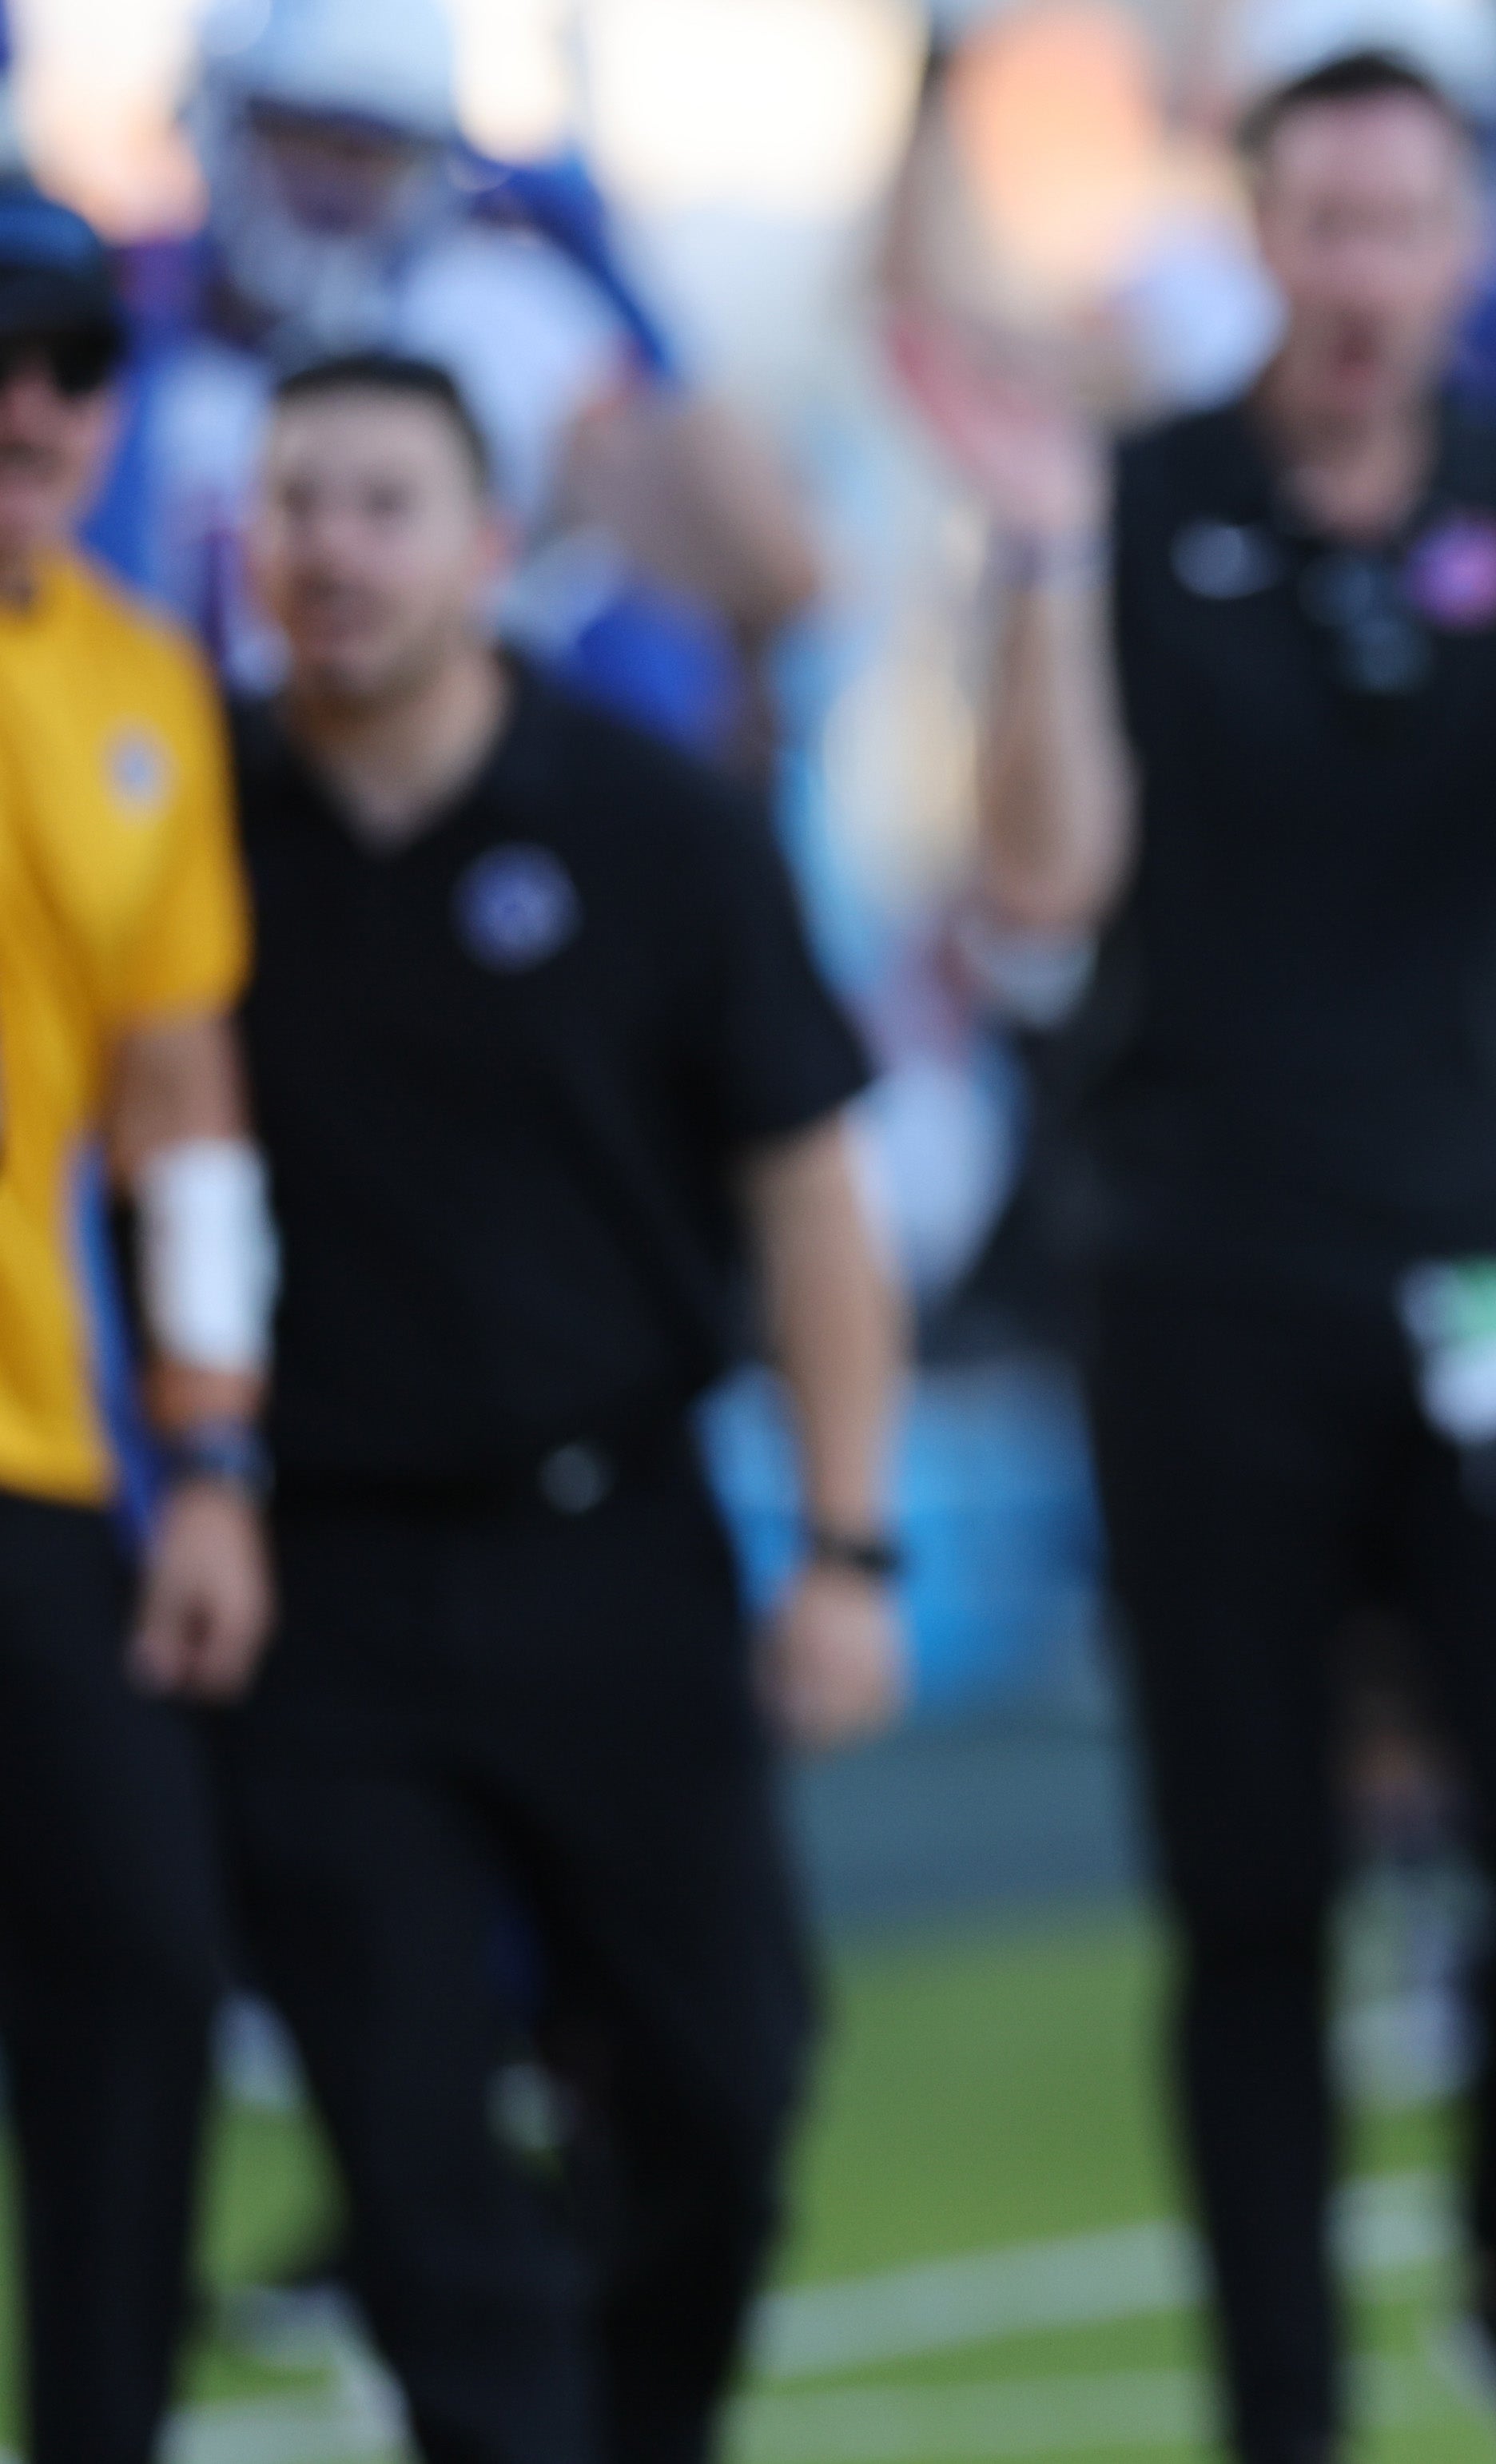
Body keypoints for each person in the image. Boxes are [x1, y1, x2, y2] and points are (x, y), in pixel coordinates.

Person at [964, 50, 1496, 2464]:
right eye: (1321, 220)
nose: (1361, 271)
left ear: (1466, 248)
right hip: (1201, 1261)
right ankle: (1285, 2416)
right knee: (1249, 1885)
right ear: (1257, 235)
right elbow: (1039, 886)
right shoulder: (1132, 501)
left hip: (1478, 1241)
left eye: (1403, 222)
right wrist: (1044, 562)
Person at [213, 351, 903, 2464]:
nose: (331, 548)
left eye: (383, 502)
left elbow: (807, 1200)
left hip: (619, 1549)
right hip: (316, 1577)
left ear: (492, 546)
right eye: (297, 502)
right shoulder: (188, 821)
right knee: (410, 2144)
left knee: (720, 2081)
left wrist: (849, 1546)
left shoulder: (653, 819)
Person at [0, 182, 277, 2464]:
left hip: (44, 1456)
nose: (30, 397)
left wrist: (211, 1451)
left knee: (139, 1971)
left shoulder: (138, 688)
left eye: (75, 354)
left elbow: (182, 1116)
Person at [92, 0, 816, 772]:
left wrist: (654, 339)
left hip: (448, 821)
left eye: (365, 152)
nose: (330, 187)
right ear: (227, 124)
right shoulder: (123, 332)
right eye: (300, 138)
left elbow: (775, 572)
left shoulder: (497, 316)